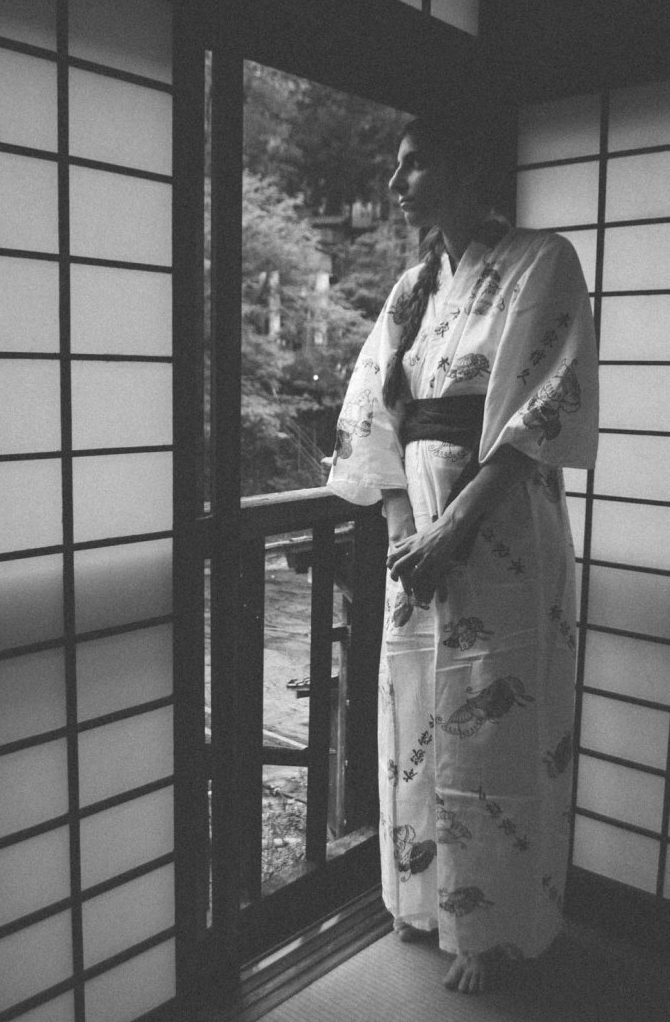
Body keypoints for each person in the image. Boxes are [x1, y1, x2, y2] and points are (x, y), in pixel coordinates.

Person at [326, 114, 599, 994]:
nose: (400, 183)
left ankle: (488, 925)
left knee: (498, 720)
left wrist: (453, 532)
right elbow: (375, 414)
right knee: (414, 713)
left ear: (464, 166)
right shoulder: (412, 288)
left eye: (414, 165)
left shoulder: (541, 261)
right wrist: (408, 531)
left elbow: (540, 415)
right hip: (419, 530)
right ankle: (421, 900)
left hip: (501, 524)